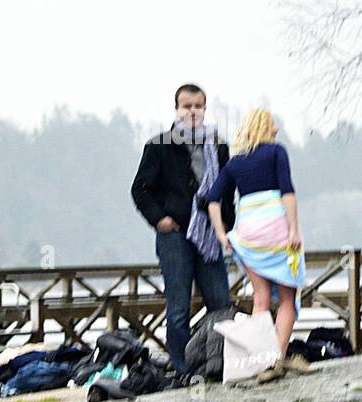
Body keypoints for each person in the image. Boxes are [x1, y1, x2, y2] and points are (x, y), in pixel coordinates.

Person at [131, 84, 236, 377]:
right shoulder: (160, 145)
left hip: (209, 234)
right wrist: (159, 219)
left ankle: (220, 364)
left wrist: (226, 222)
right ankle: (183, 369)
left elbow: (228, 190)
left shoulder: (218, 145)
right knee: (178, 308)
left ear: (205, 108)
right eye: (187, 106)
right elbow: (141, 189)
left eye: (198, 106)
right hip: (175, 235)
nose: (192, 112)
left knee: (221, 303)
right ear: (176, 109)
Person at [204, 108, 310, 382]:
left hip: (248, 233)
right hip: (276, 232)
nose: (276, 129)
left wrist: (221, 233)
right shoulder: (276, 152)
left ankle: (257, 359)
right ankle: (275, 359)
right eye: (273, 125)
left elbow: (212, 199)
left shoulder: (235, 163)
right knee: (287, 299)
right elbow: (287, 191)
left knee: (260, 299)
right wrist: (295, 230)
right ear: (264, 126)